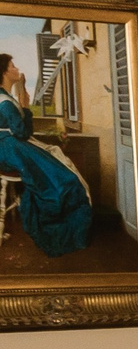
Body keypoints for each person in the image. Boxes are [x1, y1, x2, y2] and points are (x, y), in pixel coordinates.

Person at [0, 52, 93, 257]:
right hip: (13, 149)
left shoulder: (5, 97)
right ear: (5, 72)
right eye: (13, 66)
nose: (17, 69)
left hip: (11, 147)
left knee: (58, 172)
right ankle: (63, 232)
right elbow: (23, 132)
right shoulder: (5, 102)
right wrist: (24, 106)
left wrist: (22, 91)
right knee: (64, 181)